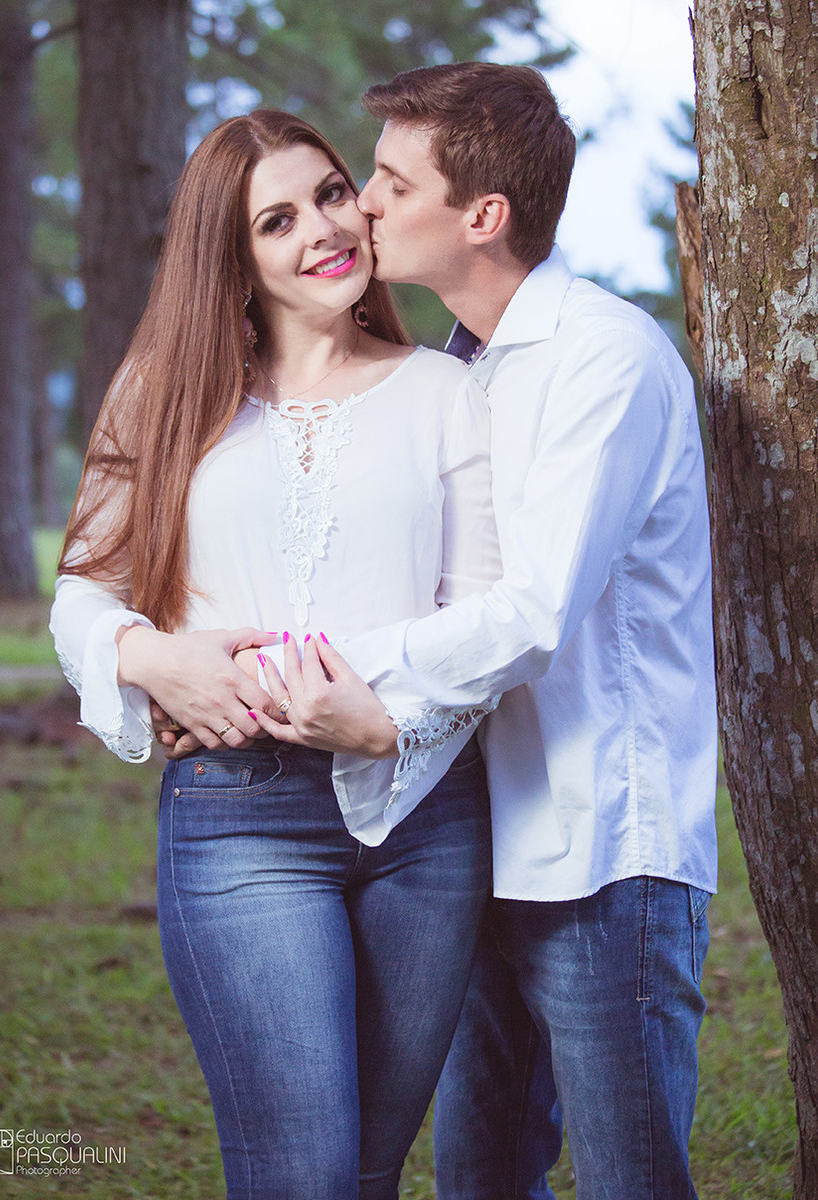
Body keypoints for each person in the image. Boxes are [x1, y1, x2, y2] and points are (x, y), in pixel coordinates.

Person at [246, 64, 718, 1200]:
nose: (358, 202)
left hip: (604, 852)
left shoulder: (600, 359)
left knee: (628, 1182)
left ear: (481, 216)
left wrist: (341, 675)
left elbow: (532, 614)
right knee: (477, 1175)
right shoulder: (462, 365)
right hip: (476, 842)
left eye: (390, 182)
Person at [50, 109, 504, 1200]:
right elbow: (81, 595)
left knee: (362, 1173)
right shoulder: (163, 396)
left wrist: (391, 726)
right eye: (277, 219)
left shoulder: (448, 395)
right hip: (237, 812)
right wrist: (158, 665)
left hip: (423, 823)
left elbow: (486, 619)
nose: (323, 230)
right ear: (232, 255)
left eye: (335, 194)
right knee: (297, 1173)